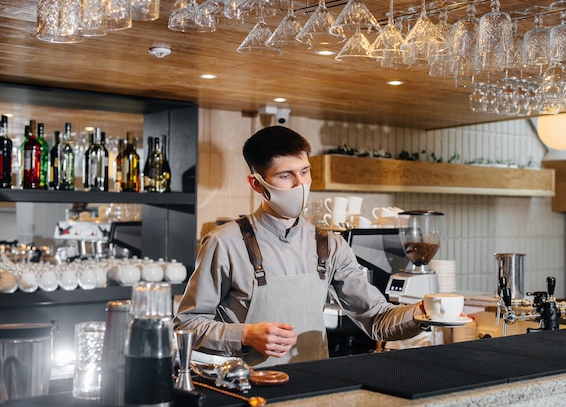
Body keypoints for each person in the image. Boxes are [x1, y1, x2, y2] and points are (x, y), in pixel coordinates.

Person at [174, 126, 429, 367]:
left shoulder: (329, 244)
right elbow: (186, 327)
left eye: (304, 172)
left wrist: (421, 314)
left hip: (316, 388)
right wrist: (245, 334)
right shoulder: (225, 242)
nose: (301, 185)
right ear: (257, 184)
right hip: (249, 390)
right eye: (286, 176)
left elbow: (376, 318)